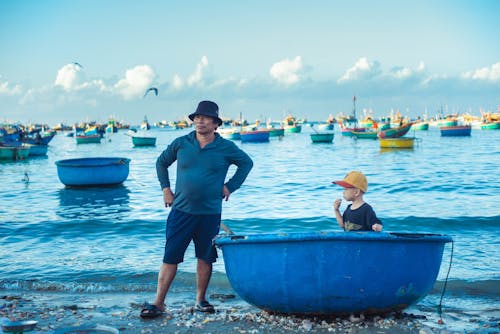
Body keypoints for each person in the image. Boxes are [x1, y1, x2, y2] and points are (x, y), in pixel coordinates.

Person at [140, 100, 253, 318]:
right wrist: (165, 189)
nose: (200, 121)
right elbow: (161, 163)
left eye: (205, 118)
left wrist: (231, 186)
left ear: (215, 124)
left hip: (210, 213)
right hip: (181, 212)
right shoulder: (181, 143)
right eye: (197, 117)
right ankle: (158, 302)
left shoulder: (226, 147)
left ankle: (201, 300)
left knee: (205, 258)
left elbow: (246, 164)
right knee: (170, 257)